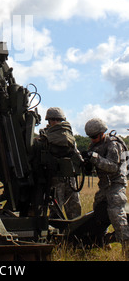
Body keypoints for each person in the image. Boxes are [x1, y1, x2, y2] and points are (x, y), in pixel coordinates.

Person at [84, 117, 129, 258]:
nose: (93, 140)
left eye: (95, 137)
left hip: (116, 184)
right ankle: (102, 242)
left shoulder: (113, 145)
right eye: (90, 137)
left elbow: (113, 167)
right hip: (104, 185)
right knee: (98, 213)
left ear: (103, 133)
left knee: (116, 213)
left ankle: (126, 247)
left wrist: (95, 158)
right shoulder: (93, 146)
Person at [39, 107, 82, 219]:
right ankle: (58, 235)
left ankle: (74, 234)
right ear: (49, 120)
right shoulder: (44, 137)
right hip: (55, 178)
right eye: (53, 119)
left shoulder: (69, 136)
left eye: (58, 120)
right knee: (55, 210)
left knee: (74, 209)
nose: (56, 122)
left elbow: (76, 155)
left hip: (69, 178)